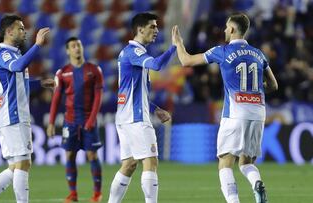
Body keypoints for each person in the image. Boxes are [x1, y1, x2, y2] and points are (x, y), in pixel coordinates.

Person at [172, 13, 278, 203]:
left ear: (232, 29)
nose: (224, 30)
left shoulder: (222, 51)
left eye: (226, 27)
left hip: (235, 113)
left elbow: (186, 61)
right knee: (246, 162)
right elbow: (273, 85)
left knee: (225, 162)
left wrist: (178, 43)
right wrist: (254, 91)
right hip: (258, 112)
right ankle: (257, 183)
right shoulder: (259, 54)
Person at [0, 15, 49, 203]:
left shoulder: (14, 54)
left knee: (15, 167)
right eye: (21, 28)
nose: (24, 31)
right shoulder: (4, 54)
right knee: (24, 163)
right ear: (9, 32)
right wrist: (37, 45)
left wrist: (41, 83)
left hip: (12, 115)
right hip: (12, 115)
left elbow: (19, 84)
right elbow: (18, 67)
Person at [107, 12, 175, 203]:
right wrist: (174, 48)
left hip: (125, 116)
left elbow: (136, 91)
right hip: (135, 118)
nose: (156, 30)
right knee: (151, 161)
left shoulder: (129, 53)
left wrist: (154, 108)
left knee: (129, 164)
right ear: (140, 29)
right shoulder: (134, 52)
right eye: (152, 26)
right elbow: (156, 65)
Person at [45, 37, 104, 203]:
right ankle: (73, 194)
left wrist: (92, 119)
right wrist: (51, 123)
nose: (77, 48)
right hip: (70, 121)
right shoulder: (62, 72)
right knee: (69, 155)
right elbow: (56, 99)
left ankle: (97, 194)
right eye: (73, 46)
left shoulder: (94, 70)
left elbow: (98, 97)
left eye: (79, 44)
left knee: (92, 155)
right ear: (67, 51)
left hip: (88, 120)